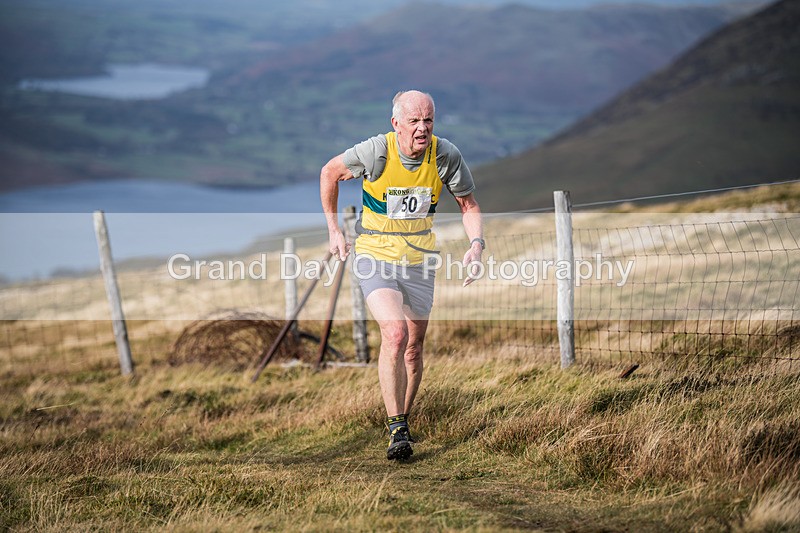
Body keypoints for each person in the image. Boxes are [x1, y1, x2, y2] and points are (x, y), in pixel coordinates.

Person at [320, 90, 484, 461]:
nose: (422, 128)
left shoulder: (444, 155)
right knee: (395, 333)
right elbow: (329, 172)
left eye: (429, 120)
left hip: (420, 260)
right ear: (396, 124)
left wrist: (476, 245)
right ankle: (396, 429)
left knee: (414, 347)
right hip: (375, 255)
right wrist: (334, 230)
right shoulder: (376, 152)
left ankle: (403, 422)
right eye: (414, 121)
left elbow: (469, 204)